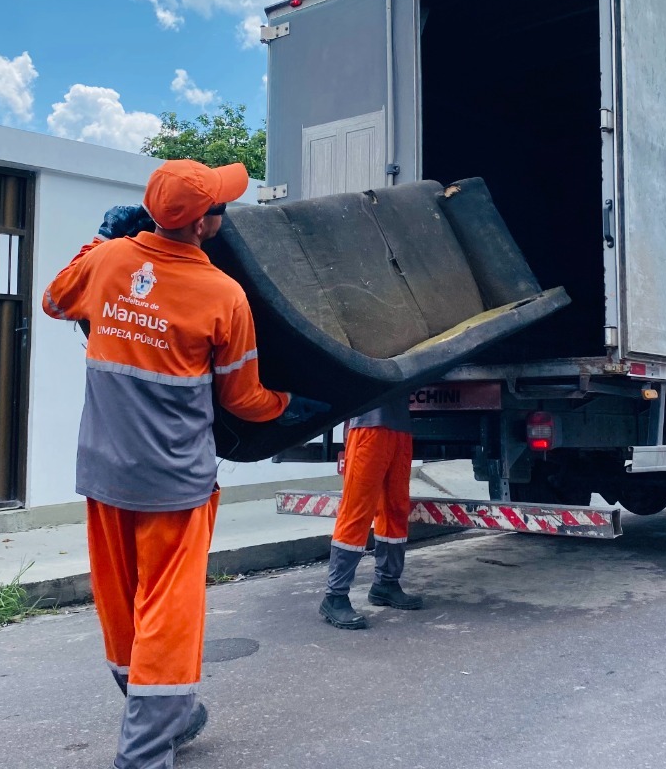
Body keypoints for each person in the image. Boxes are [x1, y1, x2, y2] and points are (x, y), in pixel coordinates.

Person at [43, 159, 327, 769]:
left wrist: (101, 240)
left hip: (104, 472)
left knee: (121, 604)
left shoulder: (107, 262)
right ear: (202, 225)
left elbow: (54, 300)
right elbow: (243, 401)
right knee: (168, 612)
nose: (224, 211)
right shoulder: (223, 295)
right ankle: (145, 751)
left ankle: (168, 714)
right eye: (220, 205)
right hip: (174, 482)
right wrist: (291, 405)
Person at [319, 394, 425, 629]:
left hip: (400, 428)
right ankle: (335, 597)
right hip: (368, 427)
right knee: (357, 510)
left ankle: (386, 584)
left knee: (395, 509)